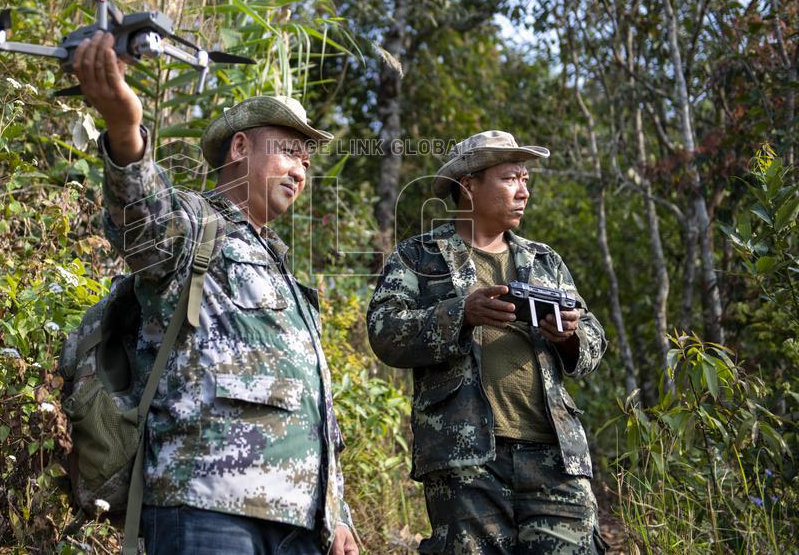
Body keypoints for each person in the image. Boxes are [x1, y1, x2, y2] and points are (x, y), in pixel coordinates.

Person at [73, 31, 358, 555]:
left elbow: (312, 408)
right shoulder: (195, 226)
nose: (300, 168)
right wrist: (124, 128)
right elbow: (141, 215)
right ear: (241, 146)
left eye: (307, 160)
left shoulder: (286, 273)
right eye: (289, 151)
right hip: (205, 501)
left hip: (301, 521)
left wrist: (336, 513)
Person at [366, 130, 608, 554]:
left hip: (555, 455)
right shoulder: (419, 257)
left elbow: (593, 342)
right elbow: (385, 332)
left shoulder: (544, 260)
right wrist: (462, 315)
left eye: (526, 180)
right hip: (466, 458)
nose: (523, 190)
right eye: (511, 178)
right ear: (469, 185)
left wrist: (568, 337)